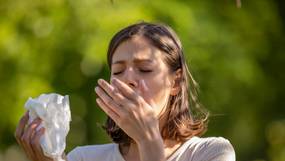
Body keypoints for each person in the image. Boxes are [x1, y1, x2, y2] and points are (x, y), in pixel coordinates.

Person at [15, 21, 235, 161]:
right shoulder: (84, 158)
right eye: (118, 71)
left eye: (144, 69)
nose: (128, 80)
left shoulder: (212, 153)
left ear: (175, 83)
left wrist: (149, 141)